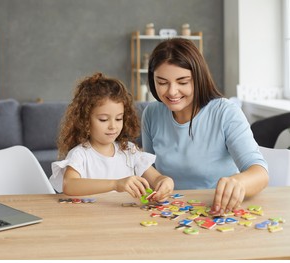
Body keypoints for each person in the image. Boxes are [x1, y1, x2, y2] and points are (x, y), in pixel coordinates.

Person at [141, 38, 269, 215]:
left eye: (183, 82)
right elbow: (148, 169)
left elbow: (260, 172)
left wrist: (239, 183)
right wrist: (156, 183)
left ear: (198, 78)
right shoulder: (151, 114)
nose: (171, 91)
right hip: (169, 212)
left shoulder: (225, 112)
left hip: (215, 212)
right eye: (162, 82)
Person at [49, 72, 174, 201]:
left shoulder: (129, 151)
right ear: (85, 120)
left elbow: (156, 178)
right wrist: (115, 184)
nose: (113, 126)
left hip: (124, 218)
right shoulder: (80, 154)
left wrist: (165, 181)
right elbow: (69, 185)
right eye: (103, 119)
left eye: (119, 118)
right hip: (91, 219)